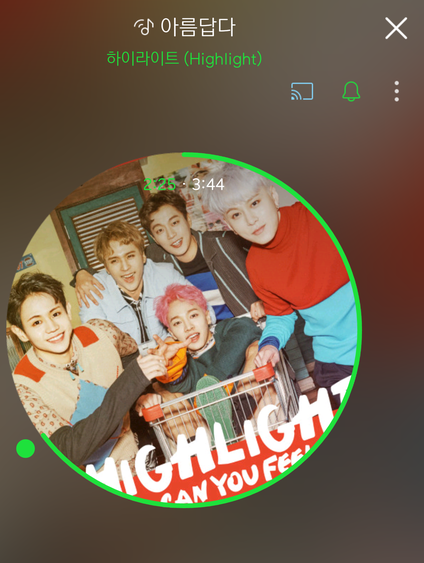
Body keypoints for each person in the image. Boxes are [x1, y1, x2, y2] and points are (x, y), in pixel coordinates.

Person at [201, 164, 357, 403]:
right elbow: (280, 315)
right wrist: (270, 345)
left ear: (273, 195)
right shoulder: (256, 265)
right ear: (229, 225)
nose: (251, 220)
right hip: (333, 364)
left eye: (254, 203)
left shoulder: (316, 216)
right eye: (236, 215)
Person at [8, 272, 167, 474]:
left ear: (67, 310)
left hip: (143, 454)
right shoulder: (23, 385)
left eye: (55, 314)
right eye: (36, 322)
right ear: (21, 332)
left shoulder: (101, 332)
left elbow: (130, 352)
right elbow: (68, 450)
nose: (52, 327)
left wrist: (140, 395)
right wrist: (132, 381)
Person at [75, 190, 265, 320]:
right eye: (160, 230)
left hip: (252, 326)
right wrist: (81, 274)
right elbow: (120, 262)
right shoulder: (154, 257)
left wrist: (265, 301)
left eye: (175, 223)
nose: (171, 234)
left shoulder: (226, 242)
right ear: (154, 238)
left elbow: (270, 258)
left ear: (188, 219)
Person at [136, 283, 263, 443]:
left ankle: (233, 422)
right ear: (171, 333)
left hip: (247, 413)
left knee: (259, 348)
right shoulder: (184, 361)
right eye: (177, 323)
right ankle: (196, 449)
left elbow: (246, 328)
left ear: (207, 317)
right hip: (207, 430)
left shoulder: (225, 331)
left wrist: (210, 385)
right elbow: (178, 384)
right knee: (162, 391)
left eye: (193, 315)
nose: (188, 327)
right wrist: (170, 362)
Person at [78, 220, 213, 344]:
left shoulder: (165, 274)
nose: (125, 267)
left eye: (130, 256)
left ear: (143, 256)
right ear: (106, 267)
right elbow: (93, 343)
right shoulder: (92, 289)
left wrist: (171, 341)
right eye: (114, 261)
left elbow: (205, 310)